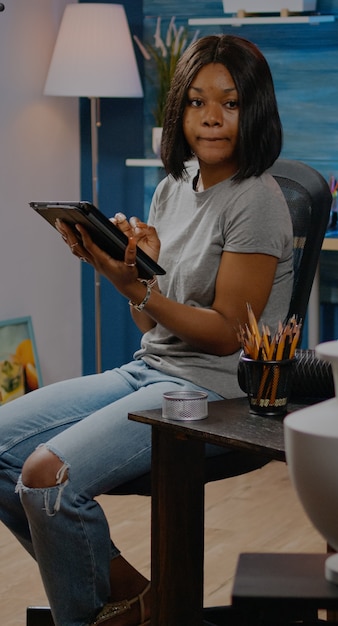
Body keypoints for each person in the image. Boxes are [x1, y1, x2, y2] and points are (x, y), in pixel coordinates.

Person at [0, 34, 293, 626]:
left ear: (255, 109)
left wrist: (139, 286)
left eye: (230, 103)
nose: (210, 118)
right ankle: (141, 600)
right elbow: (148, 318)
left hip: (213, 389)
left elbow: (224, 337)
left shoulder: (257, 200)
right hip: (151, 368)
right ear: (178, 109)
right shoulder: (172, 186)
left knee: (44, 476)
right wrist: (126, 270)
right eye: (195, 101)